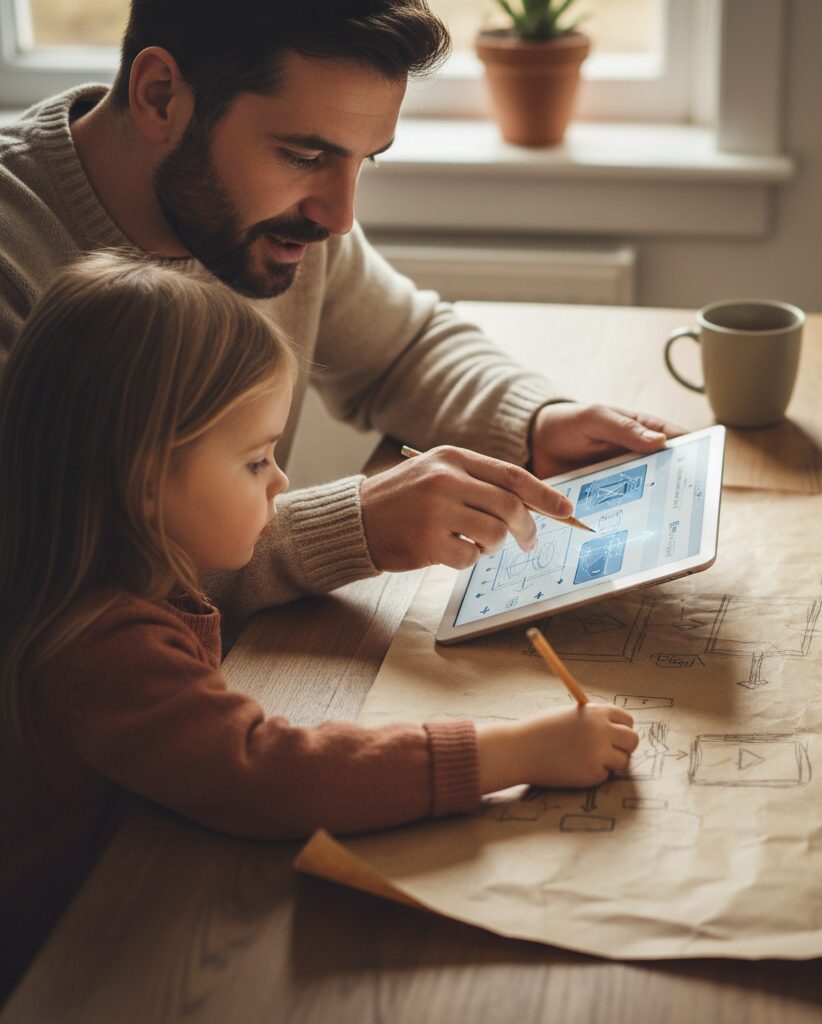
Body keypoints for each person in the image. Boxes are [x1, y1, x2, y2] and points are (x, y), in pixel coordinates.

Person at [0, 251, 640, 992]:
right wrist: (519, 752)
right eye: (255, 462)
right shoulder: (104, 647)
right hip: (62, 965)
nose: (283, 482)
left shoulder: (112, 581)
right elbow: (270, 774)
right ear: (146, 487)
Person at [0, 0, 683, 632]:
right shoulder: (14, 251)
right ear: (160, 97)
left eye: (365, 163)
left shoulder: (279, 225)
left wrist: (534, 420)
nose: (340, 216)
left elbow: (402, 350)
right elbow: (49, 578)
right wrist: (353, 526)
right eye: (306, 156)